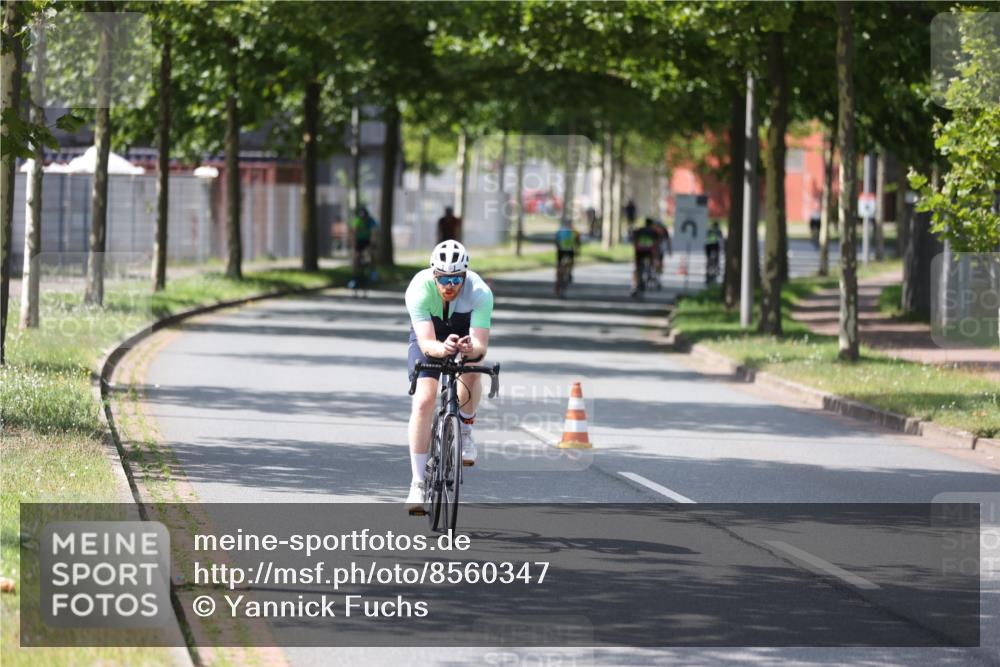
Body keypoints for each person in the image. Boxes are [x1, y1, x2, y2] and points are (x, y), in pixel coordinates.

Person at [404, 240, 494, 512]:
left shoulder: (480, 292)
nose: (450, 284)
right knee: (424, 400)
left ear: (465, 275)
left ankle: (465, 428)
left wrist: (470, 348)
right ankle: (417, 483)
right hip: (429, 335)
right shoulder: (418, 289)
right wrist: (442, 349)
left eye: (456, 278)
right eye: (443, 278)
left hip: (463, 328)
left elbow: (481, 345)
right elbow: (426, 343)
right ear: (434, 274)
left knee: (473, 367)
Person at [349, 206, 378, 288]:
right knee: (355, 257)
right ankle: (354, 278)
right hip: (359, 241)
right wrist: (354, 246)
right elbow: (353, 234)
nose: (363, 219)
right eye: (362, 218)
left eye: (365, 218)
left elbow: (374, 234)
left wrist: (372, 245)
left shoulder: (371, 221)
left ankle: (373, 272)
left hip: (368, 240)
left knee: (372, 254)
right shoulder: (357, 221)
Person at [630, 218, 659, 297]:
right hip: (649, 252)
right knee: (651, 265)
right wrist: (655, 257)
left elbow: (635, 240)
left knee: (637, 269)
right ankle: (650, 275)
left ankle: (634, 286)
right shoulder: (654, 232)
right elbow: (656, 244)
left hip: (639, 251)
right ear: (651, 224)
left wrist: (635, 251)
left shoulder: (639, 230)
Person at [554, 218, 581, 291]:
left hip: (561, 250)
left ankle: (558, 282)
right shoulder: (574, 231)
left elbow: (556, 241)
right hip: (569, 250)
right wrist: (578, 251)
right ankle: (569, 274)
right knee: (569, 264)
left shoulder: (560, 231)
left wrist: (557, 247)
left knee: (559, 266)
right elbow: (578, 242)